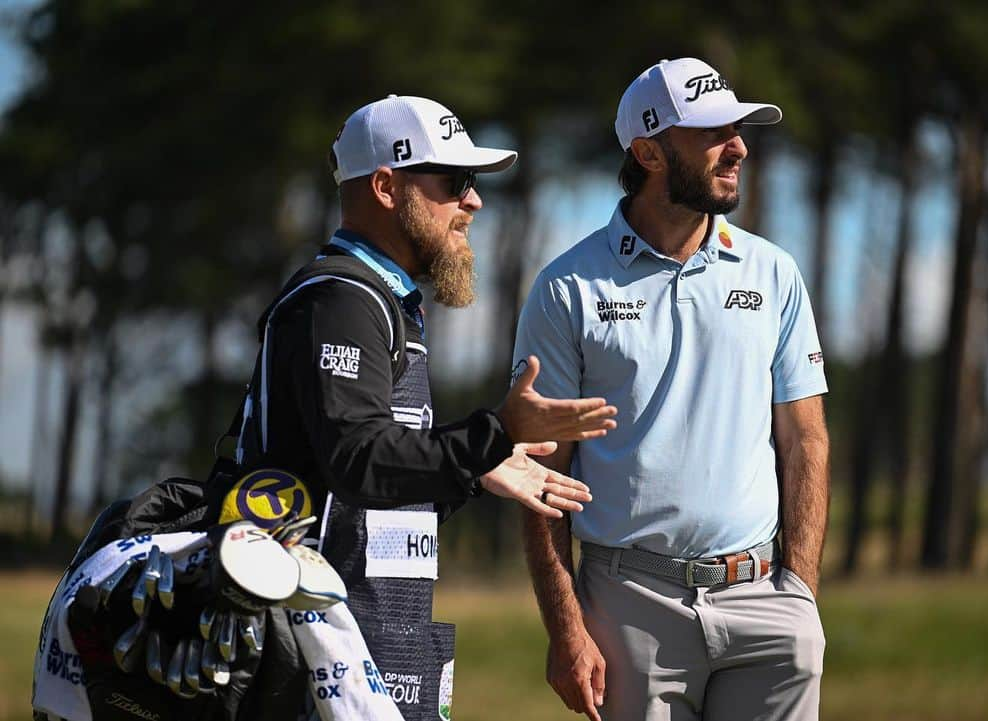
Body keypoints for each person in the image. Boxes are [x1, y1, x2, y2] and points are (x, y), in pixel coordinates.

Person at [225, 94, 617, 721]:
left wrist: (478, 467)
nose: (474, 201)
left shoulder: (385, 301)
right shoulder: (342, 299)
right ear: (385, 186)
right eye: (456, 181)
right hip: (314, 656)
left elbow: (376, 482)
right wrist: (493, 434)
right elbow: (358, 460)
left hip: (361, 648)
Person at [513, 58, 830, 721]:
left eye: (738, 130)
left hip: (766, 598)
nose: (738, 146)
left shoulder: (775, 273)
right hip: (628, 606)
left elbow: (805, 439)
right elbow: (543, 476)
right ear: (648, 151)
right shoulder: (568, 288)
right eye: (714, 131)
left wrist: (799, 592)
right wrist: (565, 626)